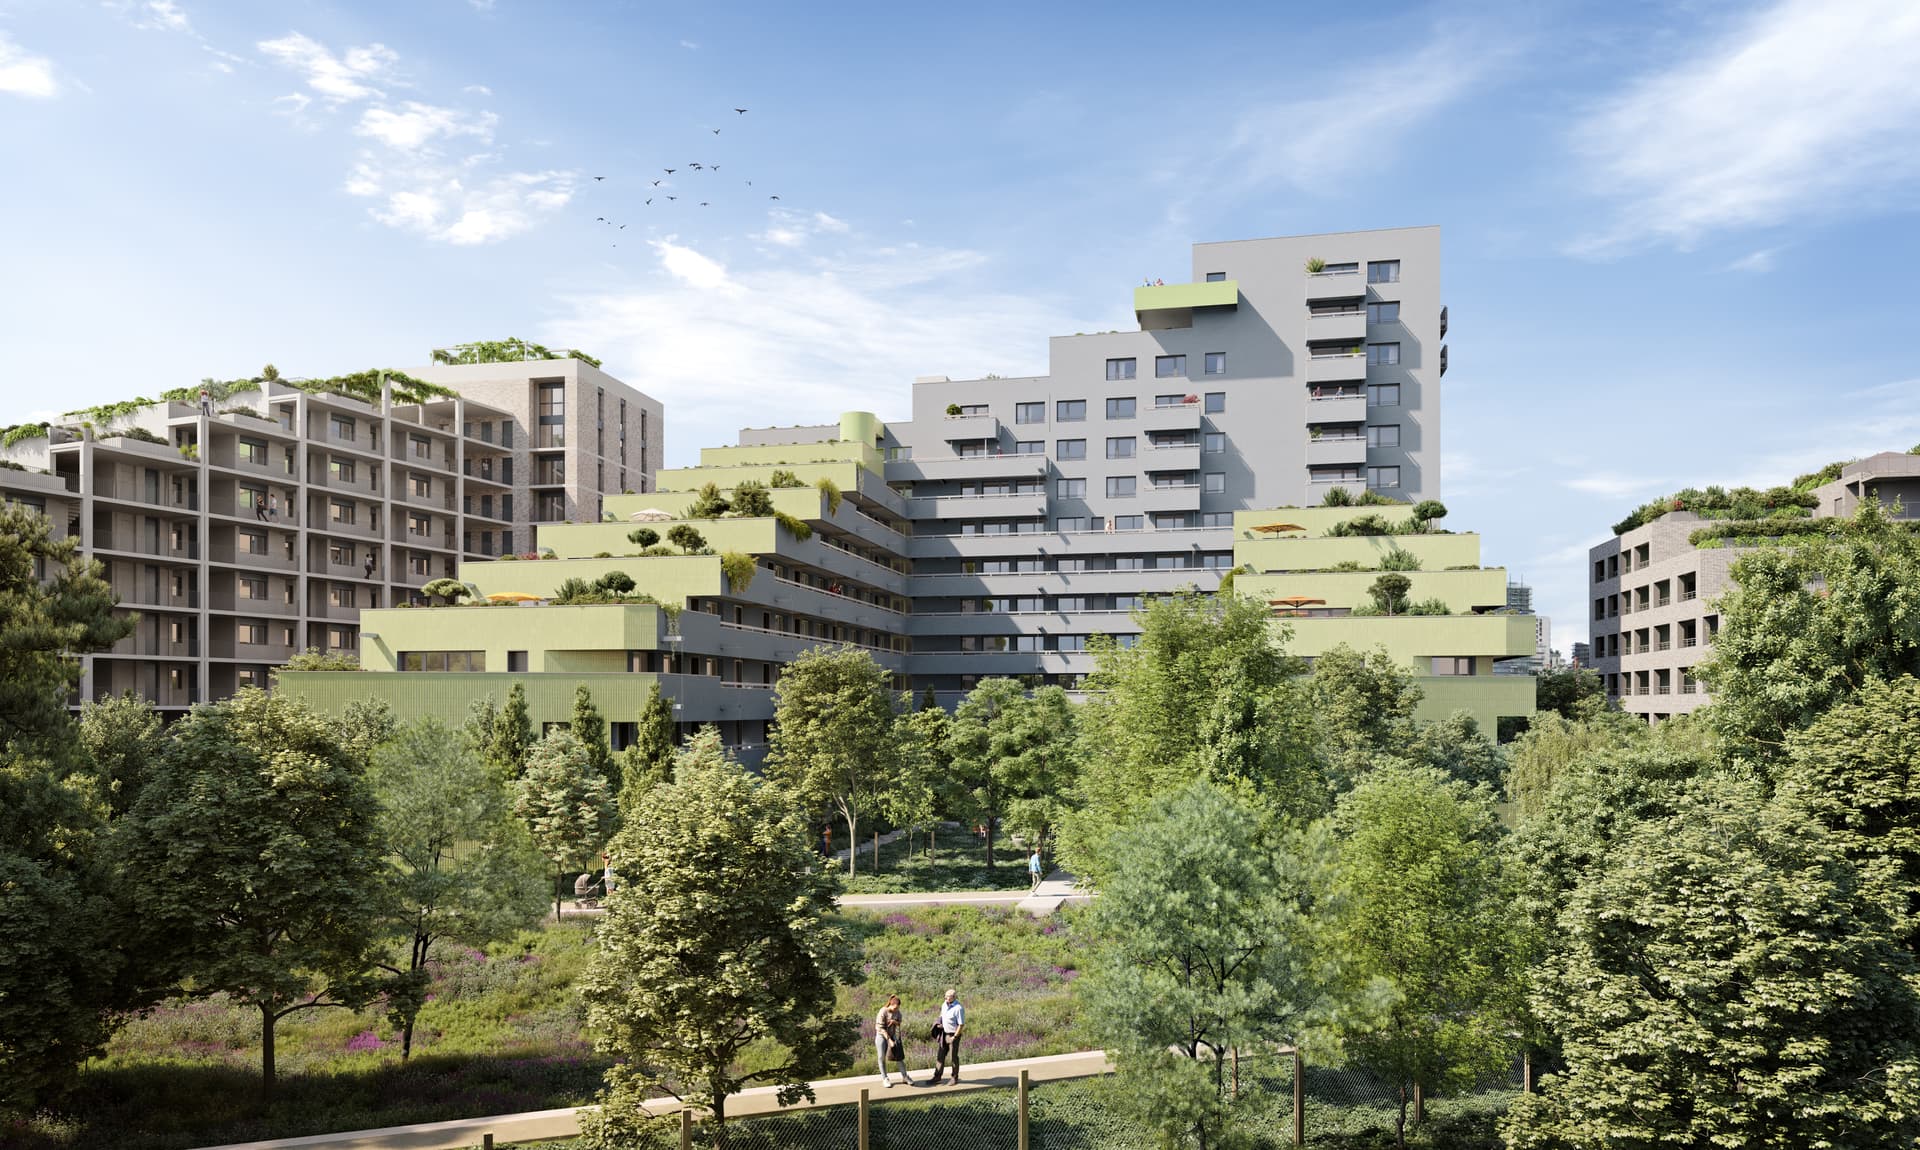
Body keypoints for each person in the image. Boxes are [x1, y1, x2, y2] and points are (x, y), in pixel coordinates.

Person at [928, 987, 965, 1084]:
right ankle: (937, 1076)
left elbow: (961, 1024)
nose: (946, 999)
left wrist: (955, 1037)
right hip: (944, 1034)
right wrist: (940, 1024)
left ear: (954, 997)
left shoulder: (958, 1008)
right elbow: (942, 1015)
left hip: (953, 1035)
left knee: (953, 1057)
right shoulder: (944, 1005)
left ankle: (954, 1078)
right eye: (945, 997)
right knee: (940, 1055)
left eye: (949, 997)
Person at [875, 994, 911, 1087]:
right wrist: (889, 1040)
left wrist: (895, 1022)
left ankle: (905, 1076)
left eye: (898, 1008)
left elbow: (899, 1022)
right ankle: (885, 1078)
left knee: (899, 1056)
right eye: (895, 1008)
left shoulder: (898, 1012)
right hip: (881, 1036)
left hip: (893, 1034)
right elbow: (880, 1028)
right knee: (881, 1057)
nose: (896, 1010)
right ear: (891, 1004)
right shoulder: (883, 1011)